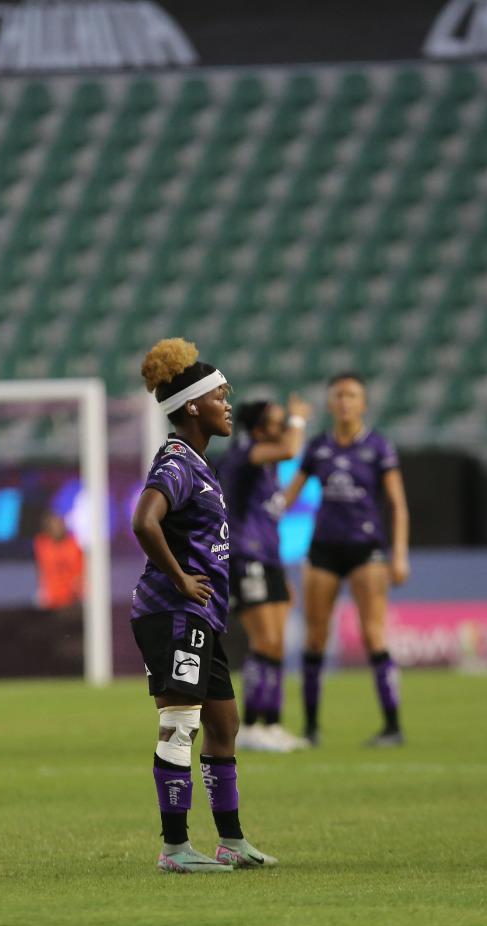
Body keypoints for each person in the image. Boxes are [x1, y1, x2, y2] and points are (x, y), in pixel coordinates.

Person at [130, 338, 277, 873]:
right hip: (173, 612)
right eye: (220, 394)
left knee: (225, 725)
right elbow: (144, 520)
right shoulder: (176, 461)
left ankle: (230, 841)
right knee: (180, 724)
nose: (228, 403)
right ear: (193, 405)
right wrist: (181, 579)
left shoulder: (199, 464)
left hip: (200, 615)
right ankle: (174, 849)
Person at [281, 373, 410, 747]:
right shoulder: (318, 447)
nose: (344, 402)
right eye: (338, 395)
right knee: (316, 637)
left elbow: (398, 505)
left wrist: (399, 553)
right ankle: (310, 729)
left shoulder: (379, 447)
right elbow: (288, 498)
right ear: (330, 403)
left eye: (351, 395)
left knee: (373, 634)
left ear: (363, 403)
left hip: (365, 549)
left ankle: (392, 726)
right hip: (322, 548)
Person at [214, 393, 311, 753]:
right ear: (258, 429)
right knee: (264, 640)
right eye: (278, 422)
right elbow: (289, 449)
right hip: (245, 558)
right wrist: (300, 420)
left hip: (269, 560)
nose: (285, 428)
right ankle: (252, 724)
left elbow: (276, 508)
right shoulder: (245, 453)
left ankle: (271, 723)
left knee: (277, 643)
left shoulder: (266, 471)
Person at [33, 511, 84, 609]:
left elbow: (79, 574)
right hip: (51, 599)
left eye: (59, 524)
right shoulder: (41, 545)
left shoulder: (74, 545)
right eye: (53, 525)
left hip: (71, 599)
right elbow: (41, 571)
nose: (57, 528)